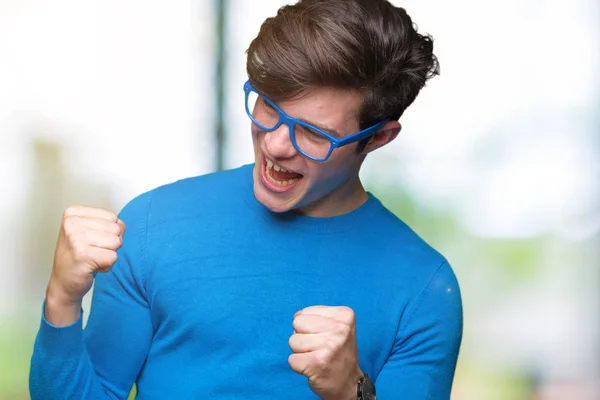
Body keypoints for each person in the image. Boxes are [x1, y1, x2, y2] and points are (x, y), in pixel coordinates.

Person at [29, 0, 463, 399]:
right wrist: (61, 301)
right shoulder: (148, 225)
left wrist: (352, 392)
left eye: (313, 132)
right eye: (268, 105)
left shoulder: (424, 289)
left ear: (377, 138)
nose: (275, 145)